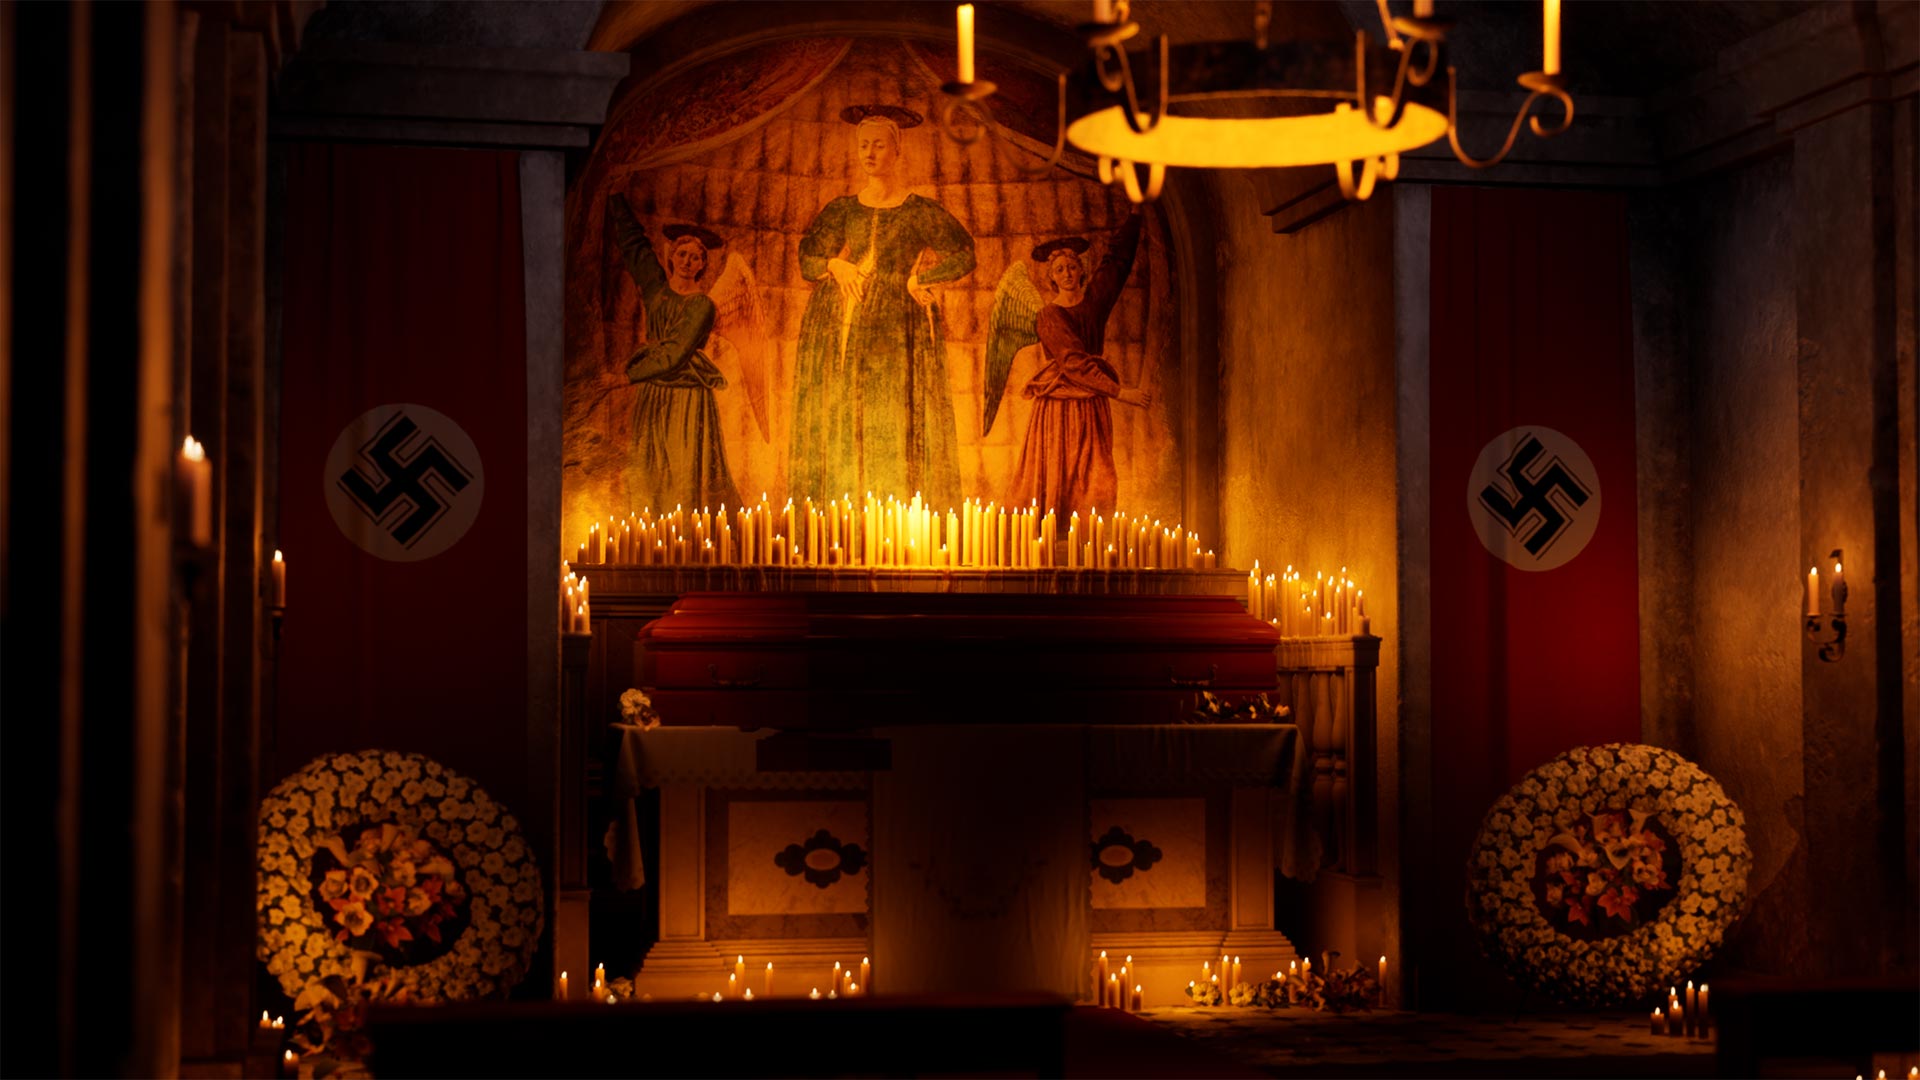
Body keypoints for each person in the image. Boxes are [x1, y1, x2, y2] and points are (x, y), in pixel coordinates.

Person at [789, 104, 975, 508]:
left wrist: (920, 279)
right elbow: (808, 258)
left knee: (894, 412)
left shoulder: (919, 210)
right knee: (849, 409)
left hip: (899, 324)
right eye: (863, 146)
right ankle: (850, 507)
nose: (869, 153)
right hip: (847, 323)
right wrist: (836, 264)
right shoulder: (843, 209)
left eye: (878, 145)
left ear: (897, 151)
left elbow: (964, 253)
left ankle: (897, 509)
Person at [1006, 211, 1150, 515]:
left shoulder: (1094, 302)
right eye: (1059, 269)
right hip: (1059, 408)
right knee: (1058, 474)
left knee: (1096, 477)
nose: (1067, 273)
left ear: (1081, 270)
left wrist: (1135, 217)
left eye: (1072, 267)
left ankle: (1091, 535)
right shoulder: (1049, 316)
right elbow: (1073, 363)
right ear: (1052, 277)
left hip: (1091, 404)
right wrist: (1122, 393)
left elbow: (1116, 265)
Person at [608, 195, 740, 512]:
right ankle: (652, 533)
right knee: (650, 468)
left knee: (684, 470)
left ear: (703, 264)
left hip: (686, 397)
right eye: (682, 254)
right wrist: (616, 200)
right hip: (654, 392)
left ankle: (688, 532)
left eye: (695, 257)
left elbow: (675, 353)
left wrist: (625, 377)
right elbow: (636, 249)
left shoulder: (702, 306)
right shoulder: (657, 290)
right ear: (671, 256)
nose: (687, 262)